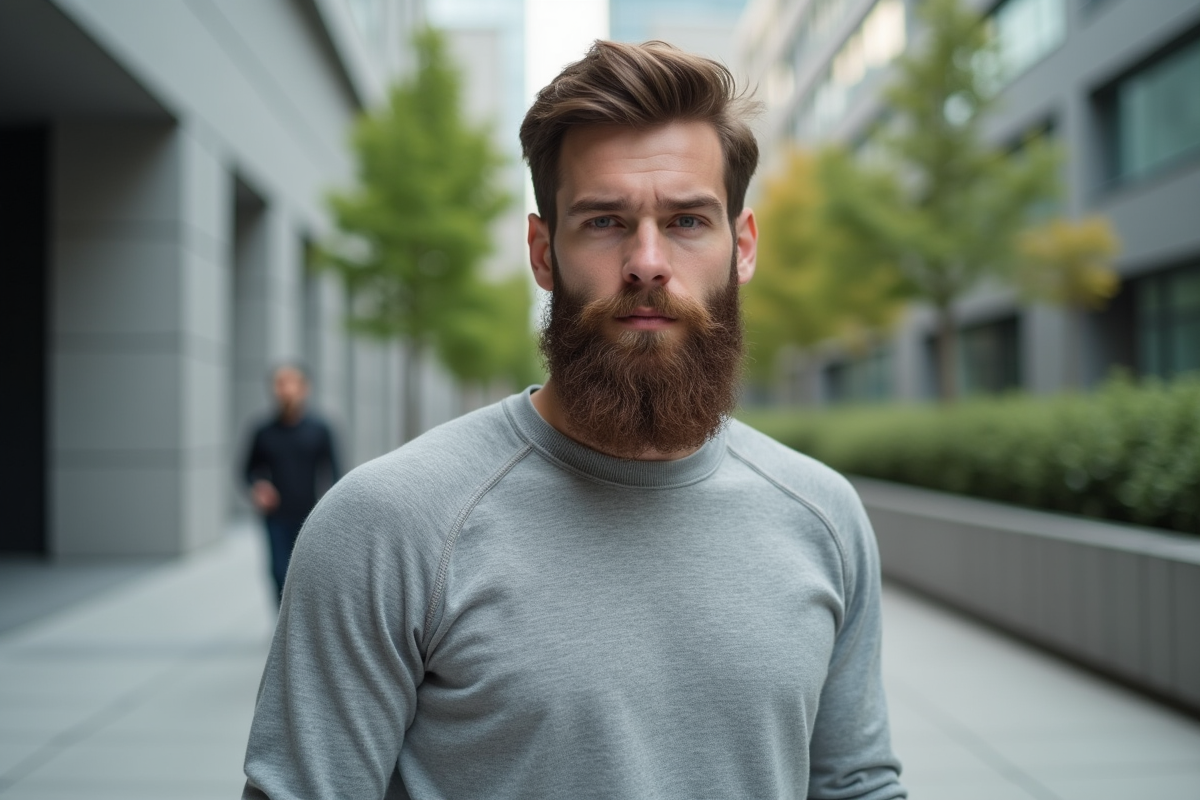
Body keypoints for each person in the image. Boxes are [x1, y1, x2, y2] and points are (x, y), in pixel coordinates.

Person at [243, 41, 905, 800]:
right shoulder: (388, 524)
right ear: (542, 251)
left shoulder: (825, 516)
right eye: (603, 222)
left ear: (742, 247)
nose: (648, 262)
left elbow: (856, 785)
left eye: (688, 220)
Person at [242, 363, 339, 606]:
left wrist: (330, 510)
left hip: (312, 515)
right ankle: (282, 628)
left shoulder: (320, 429)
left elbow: (335, 473)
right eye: (278, 383)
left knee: (310, 575)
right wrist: (259, 486)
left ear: (305, 388)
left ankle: (305, 628)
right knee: (278, 572)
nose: (283, 390)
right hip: (275, 516)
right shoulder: (263, 431)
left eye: (290, 383)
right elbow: (247, 470)